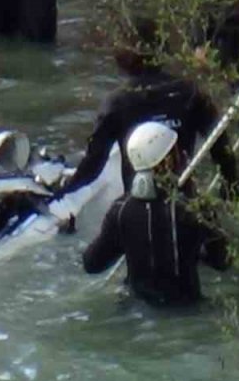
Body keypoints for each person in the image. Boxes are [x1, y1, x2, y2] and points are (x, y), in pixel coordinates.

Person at [56, 22, 239, 200]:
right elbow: (220, 145)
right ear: (161, 50)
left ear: (121, 57)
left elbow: (93, 165)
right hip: (183, 198)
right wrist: (230, 183)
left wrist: (64, 189)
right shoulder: (189, 93)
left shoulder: (117, 103)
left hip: (138, 203)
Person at [82, 122, 231, 306]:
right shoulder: (194, 207)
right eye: (176, 151)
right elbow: (223, 260)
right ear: (168, 161)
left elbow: (92, 264)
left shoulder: (120, 210)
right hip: (186, 311)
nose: (183, 155)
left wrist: (125, 242)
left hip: (136, 313)